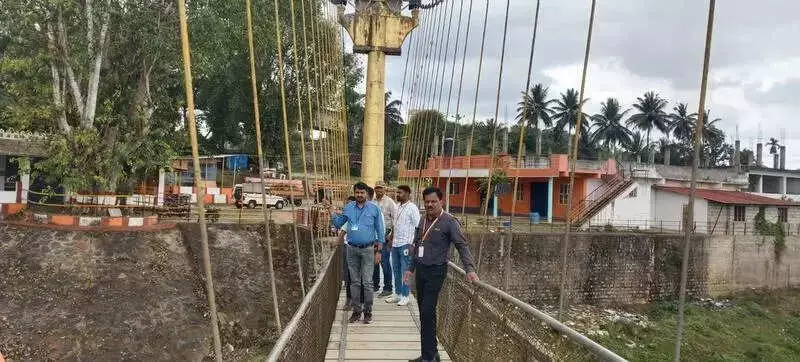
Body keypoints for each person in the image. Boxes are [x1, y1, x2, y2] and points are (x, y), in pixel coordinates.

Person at [404, 187, 479, 362]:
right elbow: (417, 245)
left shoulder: (449, 222)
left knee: (428, 311)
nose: (430, 205)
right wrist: (410, 268)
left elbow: (462, 245)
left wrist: (470, 269)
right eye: (427, 202)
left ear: (441, 202)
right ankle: (430, 353)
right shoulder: (423, 220)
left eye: (433, 202)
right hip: (421, 270)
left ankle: (429, 357)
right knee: (424, 313)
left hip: (436, 271)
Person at [331, 182, 385, 324]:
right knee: (354, 282)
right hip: (351, 249)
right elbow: (338, 224)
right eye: (357, 193)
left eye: (362, 193)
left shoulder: (374, 209)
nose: (359, 195)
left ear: (366, 194)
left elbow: (380, 231)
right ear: (354, 193)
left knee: (367, 282)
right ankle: (356, 311)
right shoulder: (348, 208)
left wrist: (379, 251)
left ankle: (368, 311)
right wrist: (331, 211)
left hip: (368, 249)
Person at [385, 184, 419, 306]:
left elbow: (417, 227)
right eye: (397, 192)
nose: (397, 195)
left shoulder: (412, 208)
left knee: (405, 270)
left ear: (407, 194)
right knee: (396, 269)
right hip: (395, 244)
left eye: (400, 193)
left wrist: (413, 244)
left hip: (406, 244)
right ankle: (397, 293)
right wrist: (390, 239)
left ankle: (405, 296)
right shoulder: (397, 206)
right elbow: (395, 224)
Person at [374, 181, 397, 298]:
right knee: (375, 261)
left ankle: (388, 287)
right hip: (374, 235)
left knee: (384, 261)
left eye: (381, 188)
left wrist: (392, 236)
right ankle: (375, 285)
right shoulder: (372, 202)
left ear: (385, 189)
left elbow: (395, 220)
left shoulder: (390, 202)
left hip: (385, 234)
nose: (379, 190)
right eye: (377, 188)